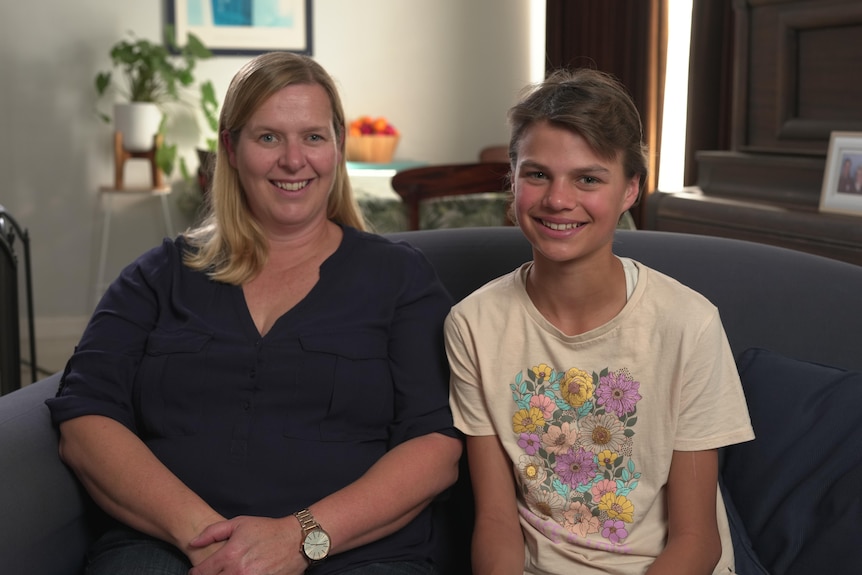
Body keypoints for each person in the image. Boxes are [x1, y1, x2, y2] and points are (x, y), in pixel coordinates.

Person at [47, 51, 462, 575]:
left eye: (313, 137)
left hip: (355, 552)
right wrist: (208, 540)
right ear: (231, 149)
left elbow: (435, 445)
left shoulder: (401, 279)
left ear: (337, 147)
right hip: (171, 548)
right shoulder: (158, 276)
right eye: (268, 137)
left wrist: (300, 537)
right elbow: (86, 419)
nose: (294, 160)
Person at [445, 68, 755, 575]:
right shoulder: (472, 324)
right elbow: (498, 520)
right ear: (513, 179)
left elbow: (698, 541)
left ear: (630, 190)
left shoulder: (688, 324)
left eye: (588, 178)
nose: (558, 200)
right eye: (537, 173)